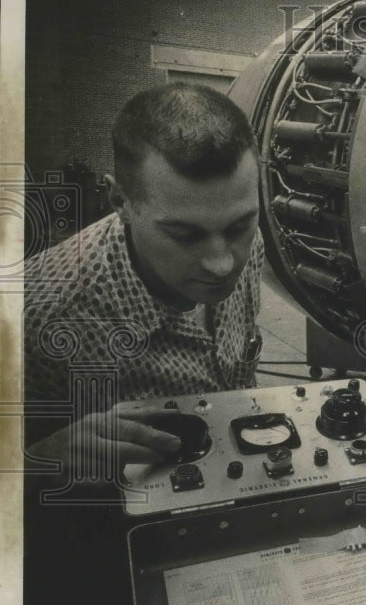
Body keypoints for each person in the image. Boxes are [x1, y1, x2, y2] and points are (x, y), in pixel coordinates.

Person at [24, 82, 266, 481]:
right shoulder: (35, 313)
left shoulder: (250, 246)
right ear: (120, 202)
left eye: (240, 225)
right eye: (184, 235)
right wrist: (36, 460)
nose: (223, 264)